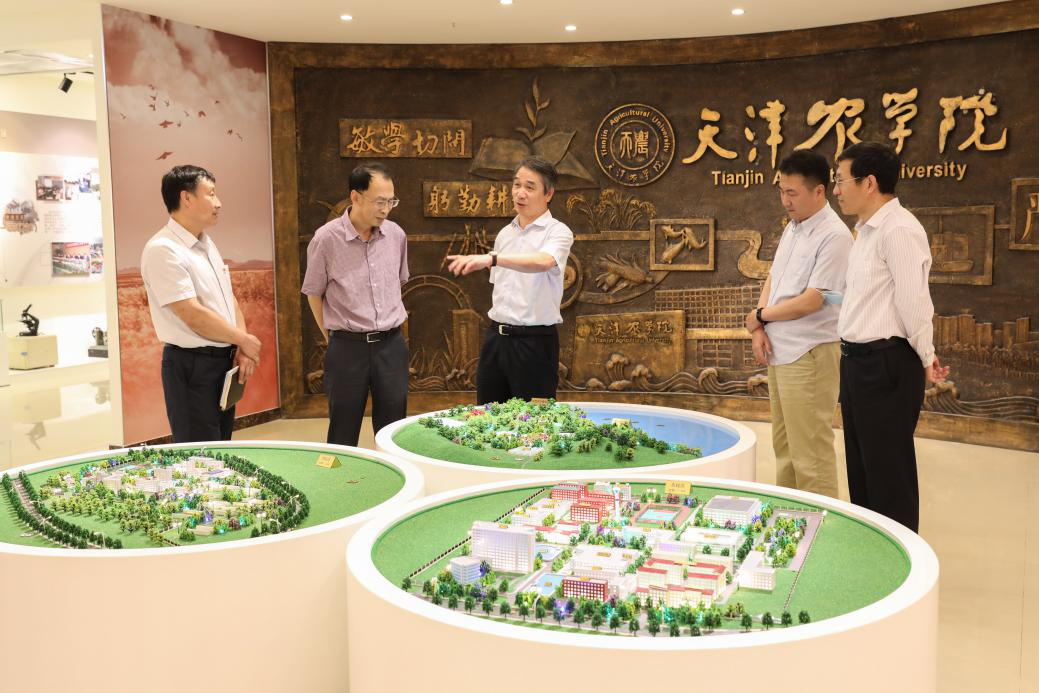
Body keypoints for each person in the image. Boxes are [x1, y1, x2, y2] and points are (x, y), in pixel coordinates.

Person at [833, 141, 949, 532]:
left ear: (869, 183)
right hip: (857, 363)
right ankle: (871, 552)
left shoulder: (899, 230)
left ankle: (901, 558)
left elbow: (913, 301)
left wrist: (926, 355)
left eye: (841, 180)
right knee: (863, 470)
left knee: (888, 475)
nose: (836, 190)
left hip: (886, 364)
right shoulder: (866, 232)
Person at [745, 150, 853, 498]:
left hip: (809, 354)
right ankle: (791, 517)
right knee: (786, 447)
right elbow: (774, 277)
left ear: (819, 191)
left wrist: (761, 317)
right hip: (781, 350)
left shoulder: (834, 235)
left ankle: (822, 522)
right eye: (781, 191)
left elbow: (813, 299)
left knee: (810, 453)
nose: (785, 201)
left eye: (792, 193)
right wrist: (759, 326)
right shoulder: (794, 227)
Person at [141, 165, 261, 443]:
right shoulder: (164, 249)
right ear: (186, 198)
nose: (219, 203)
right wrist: (242, 339)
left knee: (221, 447)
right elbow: (191, 313)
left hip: (222, 362)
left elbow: (228, 298)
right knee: (199, 454)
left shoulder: (206, 243)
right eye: (211, 194)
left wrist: (241, 345)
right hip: (192, 365)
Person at [447, 156, 573, 404]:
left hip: (535, 344)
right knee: (489, 416)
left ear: (548, 194)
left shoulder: (558, 232)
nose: (520, 193)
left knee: (534, 421)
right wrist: (494, 259)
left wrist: (492, 259)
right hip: (496, 340)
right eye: (517, 185)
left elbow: (543, 261)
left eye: (530, 187)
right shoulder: (505, 234)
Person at [302, 163, 409, 446]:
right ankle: (343, 474)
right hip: (347, 348)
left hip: (391, 345)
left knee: (394, 429)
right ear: (355, 197)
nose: (386, 209)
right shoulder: (326, 239)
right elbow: (314, 293)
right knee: (343, 426)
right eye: (379, 202)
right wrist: (332, 336)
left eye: (391, 201)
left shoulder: (396, 235)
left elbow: (398, 283)